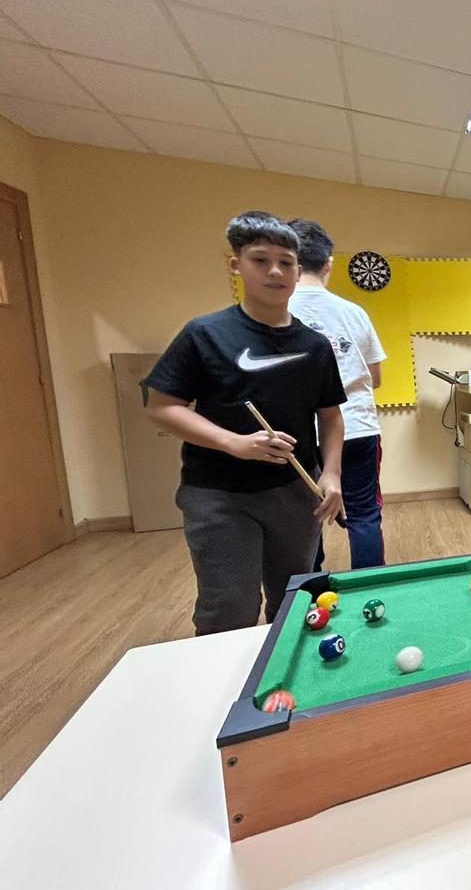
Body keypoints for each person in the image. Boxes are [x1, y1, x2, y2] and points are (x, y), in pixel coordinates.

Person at [144, 211, 346, 635]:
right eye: (260, 259)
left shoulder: (314, 345)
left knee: (294, 599)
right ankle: (226, 697)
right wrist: (232, 442)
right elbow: (161, 405)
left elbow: (330, 415)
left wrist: (330, 474)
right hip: (218, 494)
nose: (275, 271)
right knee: (230, 607)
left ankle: (283, 687)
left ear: (298, 269)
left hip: (295, 492)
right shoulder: (204, 333)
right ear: (236, 265)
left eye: (286, 262)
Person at [286, 218, 387, 570]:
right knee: (364, 516)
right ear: (329, 262)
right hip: (357, 427)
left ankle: (308, 594)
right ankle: (369, 588)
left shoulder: (277, 311)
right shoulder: (353, 312)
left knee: (305, 519)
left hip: (298, 435)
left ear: (289, 261)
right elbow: (375, 378)